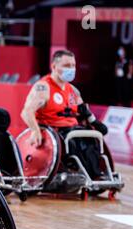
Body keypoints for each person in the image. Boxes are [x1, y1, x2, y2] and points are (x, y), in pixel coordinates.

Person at [21, 49, 107, 179]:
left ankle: (96, 173)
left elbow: (84, 111)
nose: (71, 69)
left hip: (73, 128)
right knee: (74, 142)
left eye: (73, 66)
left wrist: (94, 122)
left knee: (91, 139)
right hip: (54, 130)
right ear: (54, 66)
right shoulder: (43, 87)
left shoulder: (73, 90)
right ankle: (86, 174)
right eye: (67, 66)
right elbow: (26, 112)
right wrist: (35, 130)